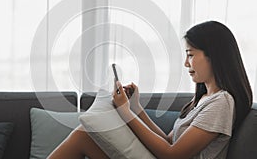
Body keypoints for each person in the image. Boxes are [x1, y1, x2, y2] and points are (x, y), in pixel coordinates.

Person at [48, 21, 252, 159]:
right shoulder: (205, 99)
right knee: (84, 134)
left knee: (83, 135)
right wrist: (136, 108)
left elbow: (172, 155)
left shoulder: (222, 103)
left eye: (190, 55)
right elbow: (168, 140)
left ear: (213, 56)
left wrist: (125, 113)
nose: (186, 63)